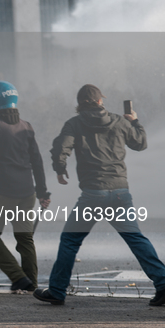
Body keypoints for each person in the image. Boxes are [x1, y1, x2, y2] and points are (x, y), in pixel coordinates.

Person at [34, 84, 165, 306]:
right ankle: (163, 283)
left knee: (70, 240)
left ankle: (56, 290)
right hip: (120, 193)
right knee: (135, 238)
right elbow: (140, 144)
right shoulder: (119, 121)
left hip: (93, 194)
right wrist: (134, 121)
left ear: (79, 104)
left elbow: (60, 148)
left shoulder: (74, 123)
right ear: (100, 102)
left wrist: (60, 168)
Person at [0, 81, 50, 292]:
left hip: (2, 194)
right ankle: (31, 282)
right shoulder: (26, 126)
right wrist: (42, 192)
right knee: (25, 238)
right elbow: (37, 162)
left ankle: (18, 277)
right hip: (27, 193)